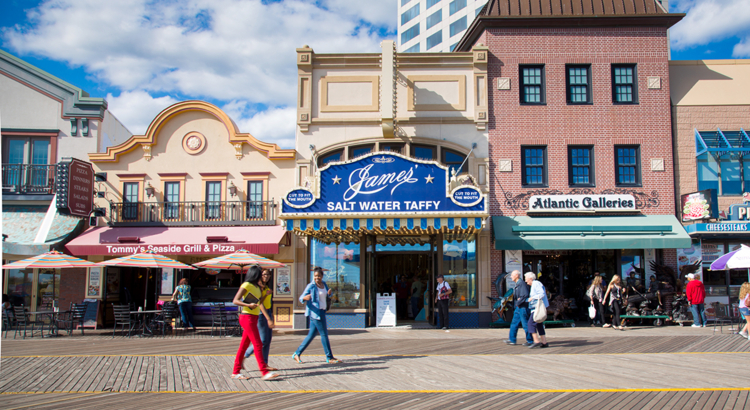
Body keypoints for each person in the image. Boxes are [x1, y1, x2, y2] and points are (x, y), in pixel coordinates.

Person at [231, 265, 278, 380]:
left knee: (244, 345)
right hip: (247, 317)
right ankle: (264, 371)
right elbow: (235, 300)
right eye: (259, 274)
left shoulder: (257, 287)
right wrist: (247, 305)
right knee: (258, 343)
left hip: (254, 317)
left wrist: (263, 296)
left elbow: (258, 302)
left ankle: (236, 372)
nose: (262, 276)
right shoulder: (246, 285)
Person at [292, 267, 342, 364]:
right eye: (315, 276)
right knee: (324, 334)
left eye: (318, 276)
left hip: (322, 311)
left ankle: (297, 353)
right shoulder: (311, 286)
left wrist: (329, 294)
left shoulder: (324, 284)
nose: (317, 278)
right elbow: (301, 298)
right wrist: (305, 298)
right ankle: (329, 357)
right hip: (315, 313)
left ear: (322, 276)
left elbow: (327, 296)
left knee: (311, 335)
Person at [244, 269, 276, 371]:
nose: (266, 276)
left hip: (268, 312)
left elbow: (267, 303)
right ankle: (244, 355)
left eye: (268, 274)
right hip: (262, 314)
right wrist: (268, 318)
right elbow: (259, 303)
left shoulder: (266, 287)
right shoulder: (259, 287)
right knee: (261, 340)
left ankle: (265, 363)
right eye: (264, 274)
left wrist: (271, 316)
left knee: (267, 340)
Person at [504, 270, 533, 346]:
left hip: (522, 307)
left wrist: (518, 303)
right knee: (514, 323)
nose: (511, 277)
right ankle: (512, 339)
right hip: (518, 307)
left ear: (517, 275)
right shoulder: (518, 284)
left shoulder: (521, 284)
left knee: (525, 324)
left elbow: (524, 295)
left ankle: (530, 340)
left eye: (512, 275)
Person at [525, 272, 549, 348]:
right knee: (539, 324)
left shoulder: (536, 284)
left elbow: (541, 294)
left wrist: (532, 298)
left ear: (530, 278)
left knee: (530, 323)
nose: (526, 281)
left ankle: (536, 341)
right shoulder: (535, 284)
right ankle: (544, 342)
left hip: (537, 309)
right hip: (536, 308)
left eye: (526, 279)